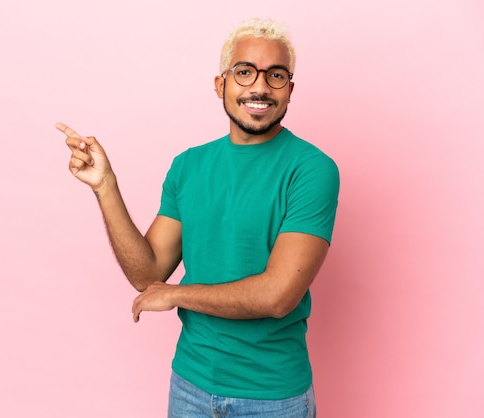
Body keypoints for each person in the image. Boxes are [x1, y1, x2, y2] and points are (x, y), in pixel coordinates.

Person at [56, 17, 339, 418]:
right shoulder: (188, 166)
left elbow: (278, 296)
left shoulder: (311, 169)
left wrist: (176, 294)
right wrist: (106, 187)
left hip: (272, 397)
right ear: (221, 84)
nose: (259, 87)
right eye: (244, 72)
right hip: (189, 385)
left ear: (289, 90)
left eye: (275, 75)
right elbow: (148, 271)